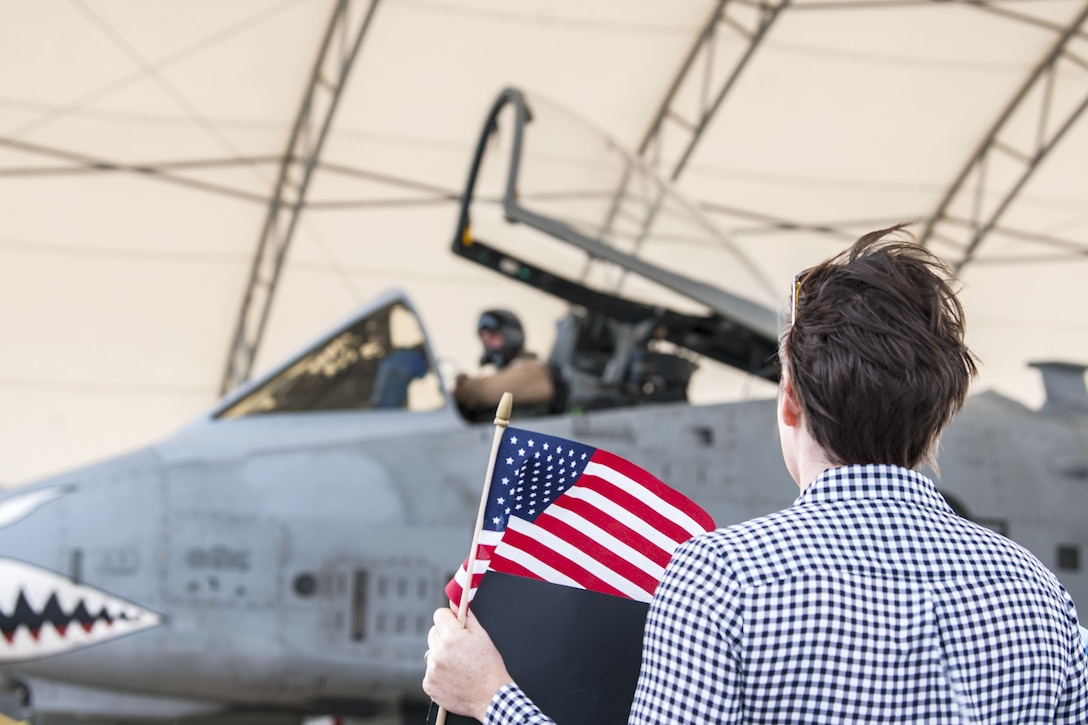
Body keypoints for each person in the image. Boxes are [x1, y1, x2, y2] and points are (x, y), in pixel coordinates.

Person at [423, 225, 1088, 723]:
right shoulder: (1040, 601)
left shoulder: (723, 580)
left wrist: (491, 696)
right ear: (944, 409)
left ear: (790, 396)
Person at [453, 309, 555, 419]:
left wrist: (463, 387)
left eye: (492, 337)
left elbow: (487, 391)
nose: (488, 345)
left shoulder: (531, 368)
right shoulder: (509, 371)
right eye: (484, 339)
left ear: (511, 336)